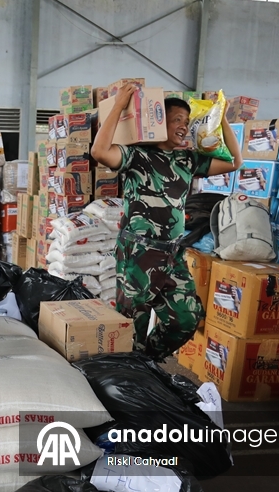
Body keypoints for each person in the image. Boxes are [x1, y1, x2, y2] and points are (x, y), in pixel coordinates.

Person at [90, 83, 241, 360]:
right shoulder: (137, 157)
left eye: (186, 121)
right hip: (139, 253)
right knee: (131, 325)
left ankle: (147, 361)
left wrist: (223, 119)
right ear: (160, 124)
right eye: (176, 120)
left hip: (172, 253)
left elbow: (233, 162)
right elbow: (100, 152)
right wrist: (118, 106)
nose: (183, 126)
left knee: (186, 318)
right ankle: (130, 374)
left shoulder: (186, 160)